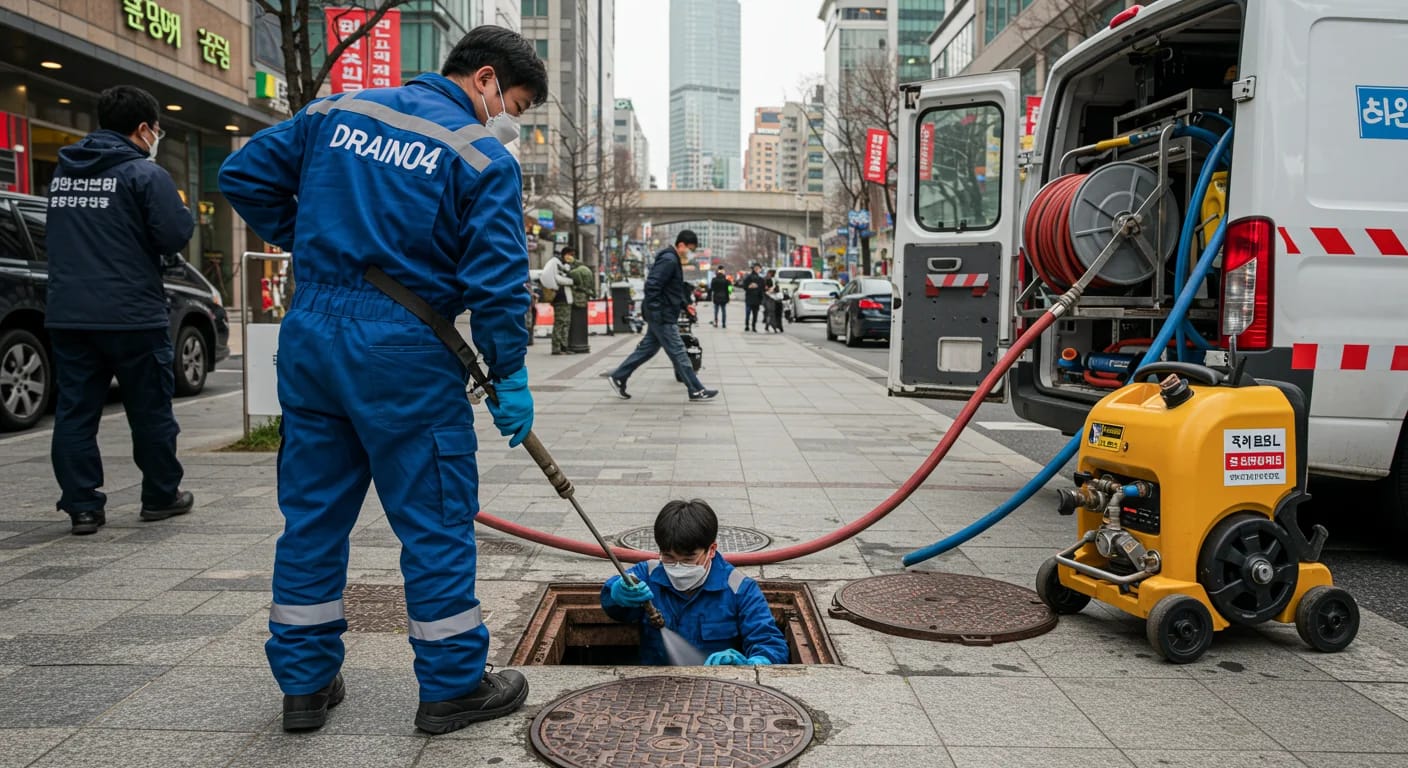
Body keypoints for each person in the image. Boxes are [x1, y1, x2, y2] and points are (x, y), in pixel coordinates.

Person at [218, 25, 546, 734]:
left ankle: (304, 684)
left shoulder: (336, 111)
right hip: (402, 353)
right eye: (511, 102)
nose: (506, 120)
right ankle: (454, 685)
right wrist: (510, 373)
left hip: (313, 337)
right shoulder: (479, 153)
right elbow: (496, 282)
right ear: (485, 79)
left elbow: (240, 175)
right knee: (434, 521)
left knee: (312, 517)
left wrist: (313, 238)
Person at [45, 85, 196, 537]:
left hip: (70, 314)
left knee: (75, 411)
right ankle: (160, 496)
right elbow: (173, 235)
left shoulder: (64, 173)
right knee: (149, 410)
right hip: (132, 313)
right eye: (156, 130)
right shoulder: (143, 175)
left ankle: (82, 507)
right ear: (144, 128)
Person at [601, 499, 789, 666]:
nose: (678, 566)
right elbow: (612, 596)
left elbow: (769, 643)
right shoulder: (648, 574)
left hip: (718, 692)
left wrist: (753, 664)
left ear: (712, 550)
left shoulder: (740, 589)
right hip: (654, 688)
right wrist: (617, 593)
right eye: (669, 557)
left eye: (689, 559)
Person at [606, 231, 718, 402]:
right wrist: (657, 312)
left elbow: (672, 288)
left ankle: (619, 376)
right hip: (662, 315)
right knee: (679, 352)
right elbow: (652, 286)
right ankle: (696, 389)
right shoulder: (669, 260)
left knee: (647, 350)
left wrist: (684, 304)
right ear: (681, 245)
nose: (690, 253)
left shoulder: (672, 259)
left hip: (661, 313)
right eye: (690, 249)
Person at [546, 247, 575, 355]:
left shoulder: (567, 266)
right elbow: (557, 278)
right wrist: (571, 281)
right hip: (560, 298)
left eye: (572, 255)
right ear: (564, 254)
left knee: (566, 323)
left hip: (567, 298)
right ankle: (556, 348)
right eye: (569, 254)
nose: (570, 257)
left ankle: (564, 346)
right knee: (559, 323)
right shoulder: (557, 263)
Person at [566, 256, 595, 353]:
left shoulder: (575, 272)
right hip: (585, 297)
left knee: (575, 321)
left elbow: (576, 283)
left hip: (577, 298)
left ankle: (575, 344)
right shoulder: (588, 270)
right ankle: (582, 343)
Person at [740, 264, 766, 332]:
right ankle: (750, 326)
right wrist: (751, 286)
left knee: (752, 313)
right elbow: (745, 286)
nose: (758, 269)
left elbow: (763, 288)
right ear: (754, 269)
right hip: (753, 298)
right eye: (756, 268)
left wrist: (755, 286)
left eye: (759, 268)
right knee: (751, 313)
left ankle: (750, 326)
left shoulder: (759, 279)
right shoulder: (753, 278)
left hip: (753, 298)